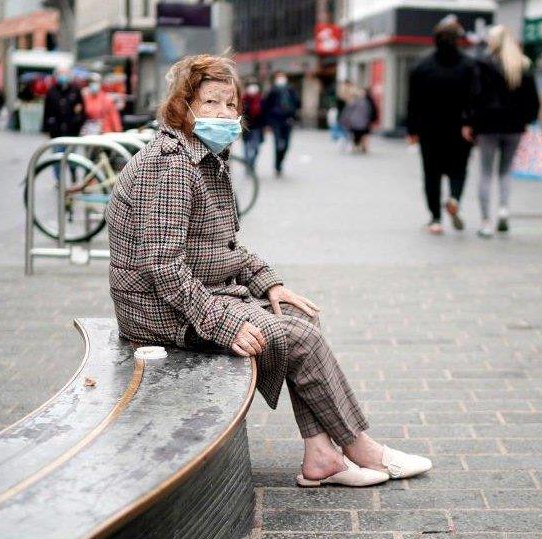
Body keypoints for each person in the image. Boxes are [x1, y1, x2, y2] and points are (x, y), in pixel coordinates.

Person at [106, 54, 432, 487]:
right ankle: (360, 448)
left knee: (296, 317)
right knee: (293, 336)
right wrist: (221, 322)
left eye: (229, 104)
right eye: (210, 103)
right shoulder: (170, 166)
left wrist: (269, 283)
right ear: (184, 107)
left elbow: (223, 247)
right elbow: (162, 266)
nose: (224, 114)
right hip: (154, 310)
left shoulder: (203, 157)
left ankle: (320, 455)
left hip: (189, 292)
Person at [466, 25, 539, 236]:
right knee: (506, 171)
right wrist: (527, 121)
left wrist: (471, 122)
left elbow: (475, 96)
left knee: (486, 172)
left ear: (494, 41)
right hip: (514, 126)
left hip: (488, 126)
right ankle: (504, 210)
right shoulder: (522, 65)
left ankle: (486, 222)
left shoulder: (483, 64)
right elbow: (532, 100)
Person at [407, 15, 477, 235]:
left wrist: (412, 130)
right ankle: (454, 197)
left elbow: (413, 102)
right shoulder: (469, 66)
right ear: (458, 39)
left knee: (431, 174)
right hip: (460, 130)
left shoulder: (421, 66)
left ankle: (435, 219)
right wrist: (470, 123)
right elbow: (475, 98)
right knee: (458, 170)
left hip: (430, 130)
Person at [262, 71, 300, 178]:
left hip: (288, 120)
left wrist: (293, 116)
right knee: (278, 143)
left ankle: (280, 161)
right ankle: (277, 166)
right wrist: (267, 123)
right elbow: (266, 106)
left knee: (286, 144)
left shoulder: (291, 90)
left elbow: (297, 103)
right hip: (276, 121)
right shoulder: (272, 90)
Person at [41, 67, 84, 139]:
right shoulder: (51, 91)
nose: (63, 75)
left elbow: (81, 109)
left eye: (65, 73)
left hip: (72, 129)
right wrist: (45, 128)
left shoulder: (75, 90)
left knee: (70, 149)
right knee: (57, 149)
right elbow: (46, 111)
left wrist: (79, 124)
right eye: (60, 73)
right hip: (56, 130)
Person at [339, 84, 374, 153]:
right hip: (362, 123)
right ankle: (360, 147)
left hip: (354, 123)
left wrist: (343, 121)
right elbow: (369, 113)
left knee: (355, 136)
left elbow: (347, 112)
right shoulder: (365, 102)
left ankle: (355, 147)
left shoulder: (352, 102)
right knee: (361, 135)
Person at [241, 82, 265, 171]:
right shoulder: (243, 100)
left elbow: (264, 113)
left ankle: (251, 163)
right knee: (246, 148)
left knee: (256, 148)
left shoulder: (260, 100)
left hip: (257, 128)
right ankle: (247, 165)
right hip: (246, 127)